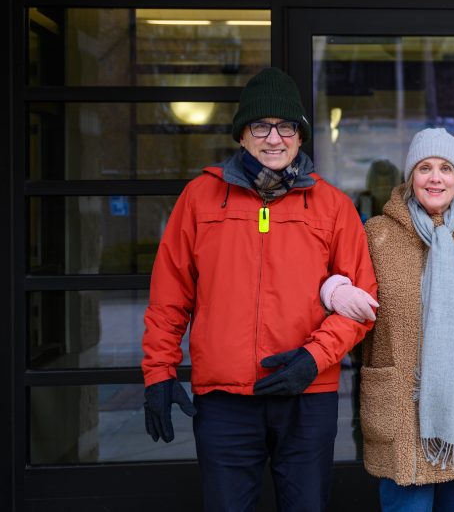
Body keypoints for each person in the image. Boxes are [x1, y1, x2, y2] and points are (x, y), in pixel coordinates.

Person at [140, 66, 378, 512]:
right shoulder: (200, 198)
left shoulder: (332, 205)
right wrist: (159, 372)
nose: (275, 138)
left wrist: (314, 358)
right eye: (261, 126)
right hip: (225, 401)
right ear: (242, 135)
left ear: (301, 136)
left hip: (307, 396)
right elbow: (170, 296)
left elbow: (361, 300)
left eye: (286, 126)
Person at [320, 127, 454, 511]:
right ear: (411, 177)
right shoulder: (377, 235)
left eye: (445, 168)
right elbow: (331, 277)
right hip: (402, 418)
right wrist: (334, 290)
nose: (435, 177)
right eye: (425, 168)